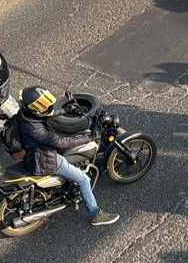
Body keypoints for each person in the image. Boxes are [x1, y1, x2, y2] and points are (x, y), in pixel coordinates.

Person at [17, 87, 119, 226]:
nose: (45, 108)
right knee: (83, 179)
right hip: (44, 158)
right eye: (42, 106)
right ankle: (95, 215)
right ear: (34, 108)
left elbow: (47, 112)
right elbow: (61, 142)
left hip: (37, 150)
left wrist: (66, 109)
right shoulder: (35, 128)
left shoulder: (26, 113)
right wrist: (88, 137)